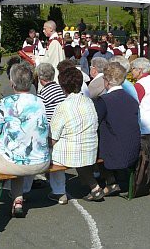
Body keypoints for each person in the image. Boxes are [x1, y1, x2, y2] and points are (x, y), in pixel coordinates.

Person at [0, 62, 50, 218]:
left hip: (17, 161)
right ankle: (18, 200)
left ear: (12, 82)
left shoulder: (7, 103)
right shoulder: (40, 102)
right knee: (18, 152)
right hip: (41, 161)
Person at [47, 67, 102, 204]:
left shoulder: (63, 106)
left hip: (69, 153)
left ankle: (59, 192)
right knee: (78, 153)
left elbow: (53, 137)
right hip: (90, 150)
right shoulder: (89, 102)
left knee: (52, 151)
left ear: (63, 87)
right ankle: (94, 186)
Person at [93, 62, 140, 197]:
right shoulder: (131, 99)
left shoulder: (104, 100)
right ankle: (112, 180)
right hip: (133, 147)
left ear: (107, 81)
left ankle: (108, 182)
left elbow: (95, 123)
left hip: (114, 152)